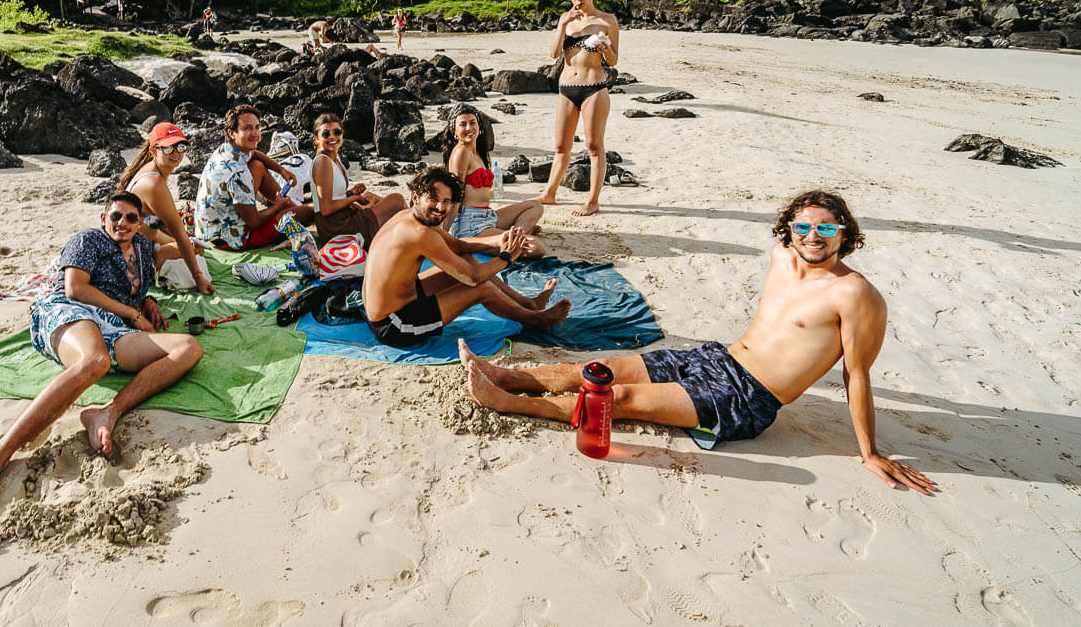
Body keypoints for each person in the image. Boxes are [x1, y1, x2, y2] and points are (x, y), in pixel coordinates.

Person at [462, 190, 938, 495]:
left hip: (745, 398)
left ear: (845, 234)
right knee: (604, 367)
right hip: (716, 358)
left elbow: (858, 375)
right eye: (803, 227)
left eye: (827, 228)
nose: (813, 236)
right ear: (788, 231)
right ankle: (507, 374)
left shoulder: (856, 295)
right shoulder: (781, 256)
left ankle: (509, 401)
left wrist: (870, 452)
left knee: (616, 398)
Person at [0, 191, 202, 510]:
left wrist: (146, 301)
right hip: (70, 310)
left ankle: (108, 412)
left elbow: (169, 259)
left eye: (130, 218)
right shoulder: (88, 241)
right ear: (104, 219)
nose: (122, 223)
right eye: (116, 216)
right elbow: (76, 288)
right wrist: (134, 313)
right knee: (94, 361)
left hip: (114, 324)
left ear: (140, 223)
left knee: (188, 347)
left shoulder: (142, 248)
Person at [362, 168, 570, 349]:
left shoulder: (409, 216)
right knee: (481, 288)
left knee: (468, 259)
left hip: (401, 299)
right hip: (394, 326)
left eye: (446, 202)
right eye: (433, 200)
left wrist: (501, 239)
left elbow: (458, 245)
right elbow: (472, 278)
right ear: (416, 198)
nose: (440, 208)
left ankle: (529, 303)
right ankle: (535, 319)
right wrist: (507, 257)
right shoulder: (419, 234)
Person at [538, 0, 620, 217]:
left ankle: (593, 201)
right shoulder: (566, 20)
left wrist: (605, 51)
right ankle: (549, 193)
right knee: (561, 147)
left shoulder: (607, 21)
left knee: (594, 146)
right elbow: (554, 54)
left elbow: (614, 60)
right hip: (566, 89)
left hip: (593, 88)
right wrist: (563, 25)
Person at [194, 104, 316, 250]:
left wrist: (282, 170)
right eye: (247, 128)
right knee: (309, 212)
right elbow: (254, 221)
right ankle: (294, 209)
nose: (255, 134)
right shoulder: (238, 172)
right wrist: (278, 206)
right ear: (232, 133)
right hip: (233, 239)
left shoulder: (227, 149)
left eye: (257, 127)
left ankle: (292, 208)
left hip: (208, 229)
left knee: (257, 166)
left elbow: (256, 154)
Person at [115, 122, 213, 294]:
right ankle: (159, 259)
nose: (176, 153)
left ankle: (164, 253)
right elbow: (179, 233)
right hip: (135, 258)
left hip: (136, 243)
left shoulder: (148, 170)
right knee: (195, 254)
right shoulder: (154, 184)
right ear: (154, 151)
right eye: (168, 149)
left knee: (191, 247)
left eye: (180, 147)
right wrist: (198, 278)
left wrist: (183, 243)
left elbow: (150, 222)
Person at [440, 104, 544, 257]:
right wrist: (443, 235)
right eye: (463, 124)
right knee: (536, 247)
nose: (469, 127)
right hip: (470, 226)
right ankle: (512, 237)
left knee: (535, 206)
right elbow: (455, 196)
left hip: (487, 216)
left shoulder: (477, 152)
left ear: (479, 126)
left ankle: (512, 235)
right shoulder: (461, 152)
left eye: (472, 122)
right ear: (454, 131)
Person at [311, 112, 405, 244]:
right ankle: (415, 234)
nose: (332, 137)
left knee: (371, 196)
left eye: (337, 132)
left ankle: (409, 234)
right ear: (316, 139)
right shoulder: (323, 162)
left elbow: (332, 196)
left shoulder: (334, 158)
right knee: (397, 200)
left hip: (341, 219)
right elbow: (326, 209)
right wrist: (354, 198)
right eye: (326, 134)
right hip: (336, 228)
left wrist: (351, 193)